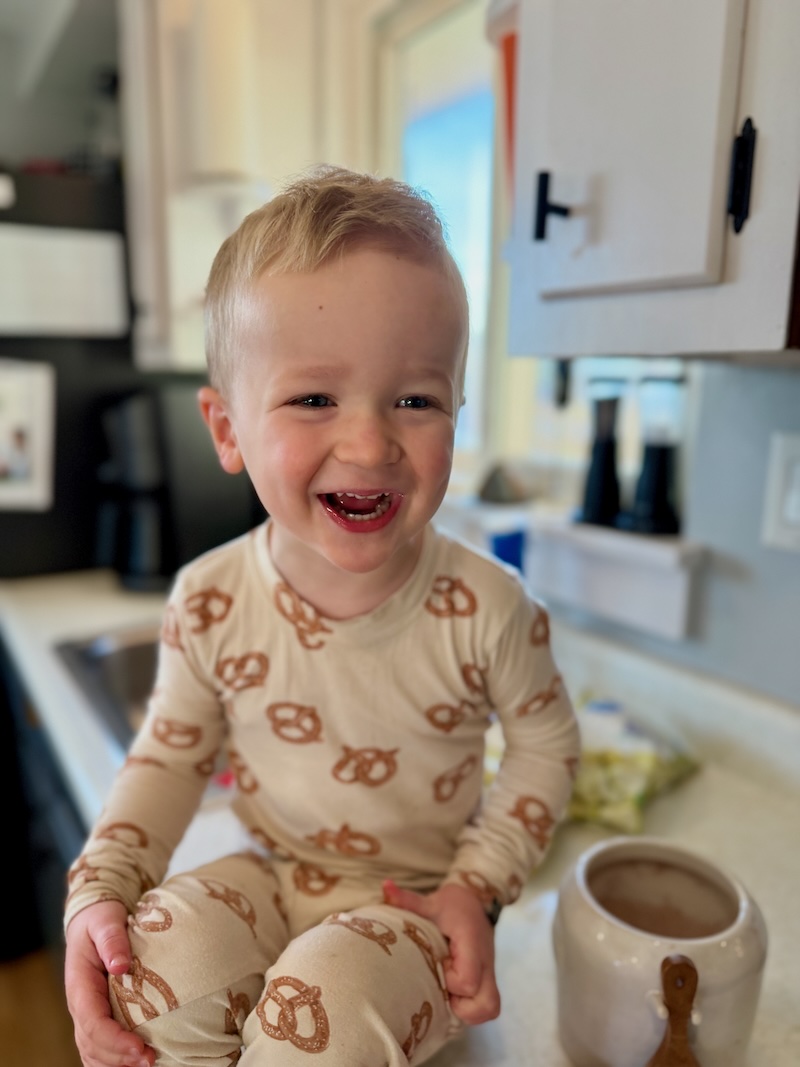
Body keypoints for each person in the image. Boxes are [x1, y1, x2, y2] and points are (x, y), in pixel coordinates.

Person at [64, 165, 581, 1067]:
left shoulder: (491, 607)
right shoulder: (210, 599)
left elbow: (545, 746)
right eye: (314, 398)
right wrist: (101, 886)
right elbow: (170, 754)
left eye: (415, 399)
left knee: (330, 1009)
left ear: (456, 409)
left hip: (415, 903)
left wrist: (478, 886)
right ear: (226, 429)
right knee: (155, 958)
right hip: (270, 876)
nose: (371, 442)